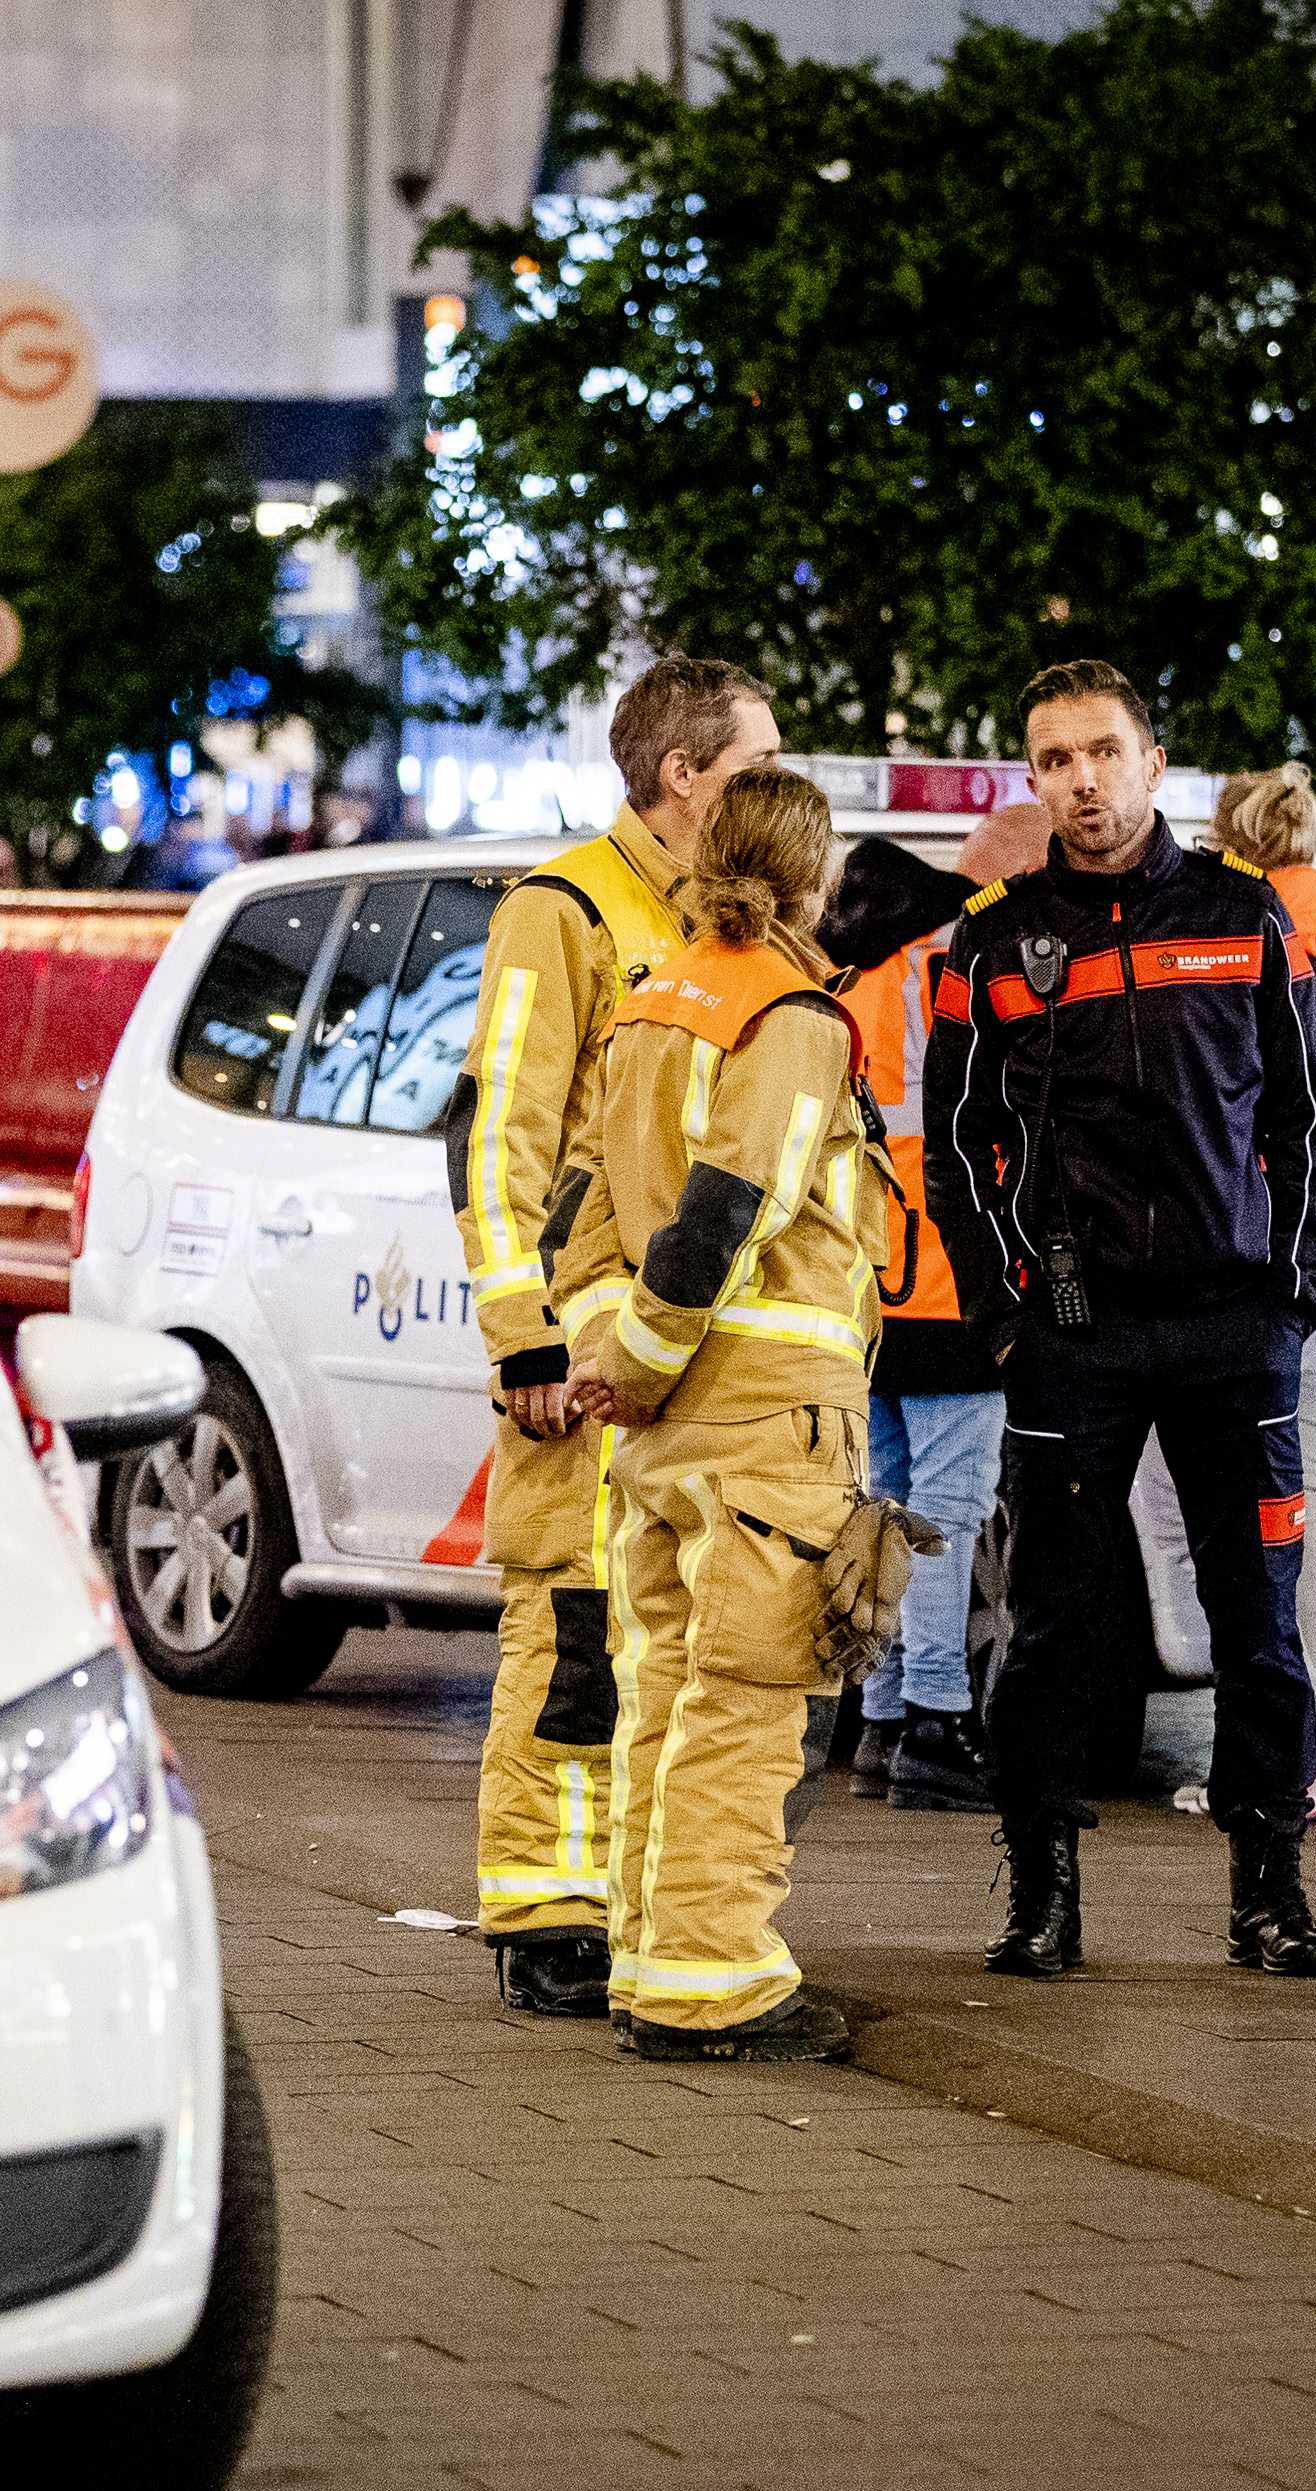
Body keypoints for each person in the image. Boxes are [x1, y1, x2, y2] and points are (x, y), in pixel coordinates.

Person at [926, 660, 1316, 1980]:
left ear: (1157, 765)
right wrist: (1005, 1315)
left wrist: (1290, 1287)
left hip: (1233, 1330)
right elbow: (955, 1142)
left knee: (1259, 1626)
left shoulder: (1246, 915)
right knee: (1052, 1624)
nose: (1082, 779)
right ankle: (1040, 1890)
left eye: (1103, 750)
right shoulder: (994, 940)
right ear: (1033, 778)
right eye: (1054, 759)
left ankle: (1269, 1889)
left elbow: (1309, 1121)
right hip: (1072, 1333)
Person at [448, 654, 777, 2019]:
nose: (775, 785)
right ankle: (544, 1901)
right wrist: (522, 1336)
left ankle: (627, 1894)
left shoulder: (725, 921)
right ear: (682, 773)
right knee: (570, 1619)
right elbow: (498, 1133)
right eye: (755, 763)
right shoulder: (567, 908)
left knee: (660, 1630)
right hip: (581, 1340)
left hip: (678, 1342)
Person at [561, 766, 885, 2060]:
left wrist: (611, 1356)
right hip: (765, 1417)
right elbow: (730, 1211)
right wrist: (645, 1354)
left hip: (659, 1432)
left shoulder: (652, 1002)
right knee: (748, 1705)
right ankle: (716, 1978)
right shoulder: (792, 1014)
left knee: (663, 1692)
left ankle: (647, 1954)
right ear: (812, 878)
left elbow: (576, 1212)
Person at [1120, 767, 1316, 1822]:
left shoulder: (1247, 938)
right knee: (1284, 1502)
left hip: (1270, 1266)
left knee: (1260, 1506)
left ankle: (1292, 1754)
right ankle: (1290, 1746)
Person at [838, 809, 1031, 1816]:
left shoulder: (876, 958)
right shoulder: (965, 960)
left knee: (885, 1501)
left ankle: (879, 1718)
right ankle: (938, 1721)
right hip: (951, 1277)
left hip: (870, 1282)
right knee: (949, 1512)